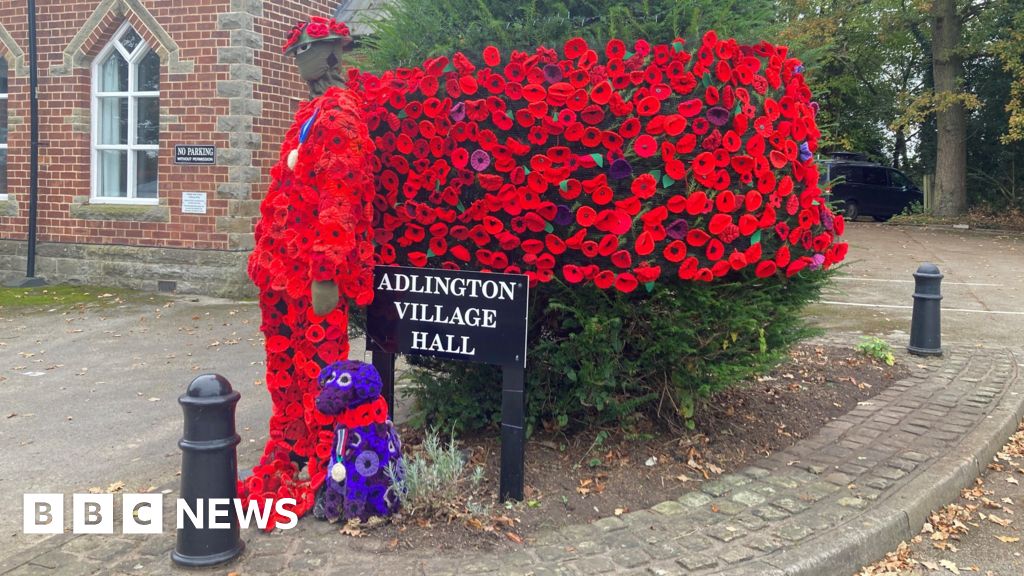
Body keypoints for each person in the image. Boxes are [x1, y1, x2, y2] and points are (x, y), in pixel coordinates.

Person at [241, 16, 376, 527]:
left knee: (319, 365)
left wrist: (326, 270)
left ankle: (327, 461)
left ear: (331, 52)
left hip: (309, 271)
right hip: (280, 268)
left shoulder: (340, 113)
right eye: (295, 53)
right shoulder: (311, 111)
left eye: (306, 51)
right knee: (284, 362)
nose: (298, 62)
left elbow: (340, 192)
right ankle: (293, 444)